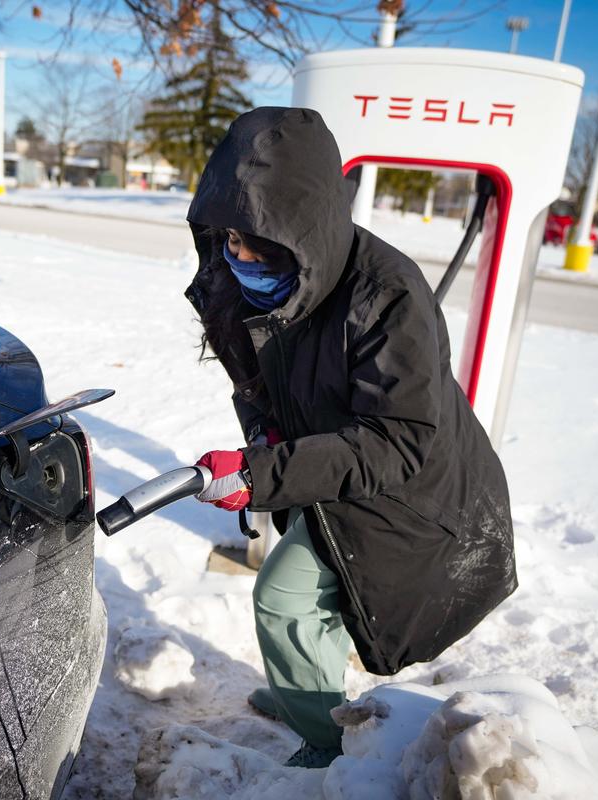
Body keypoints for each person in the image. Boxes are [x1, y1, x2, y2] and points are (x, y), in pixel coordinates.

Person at [186, 107, 517, 768]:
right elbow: (257, 383)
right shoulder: (255, 285)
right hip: (333, 468)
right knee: (312, 602)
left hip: (411, 497)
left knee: (285, 599)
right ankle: (311, 690)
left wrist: (261, 475)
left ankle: (336, 748)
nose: (238, 256)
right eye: (229, 237)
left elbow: (398, 440)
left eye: (257, 241)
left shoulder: (385, 295)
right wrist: (267, 440)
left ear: (300, 227)